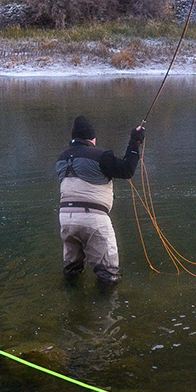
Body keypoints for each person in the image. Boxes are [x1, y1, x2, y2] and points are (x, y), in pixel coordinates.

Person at [56, 115, 145, 286]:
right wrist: (135, 143)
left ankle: (71, 304)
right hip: (94, 219)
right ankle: (106, 309)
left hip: (66, 219)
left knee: (72, 271)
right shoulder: (100, 155)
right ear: (92, 138)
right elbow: (127, 170)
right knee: (108, 274)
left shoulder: (61, 159)